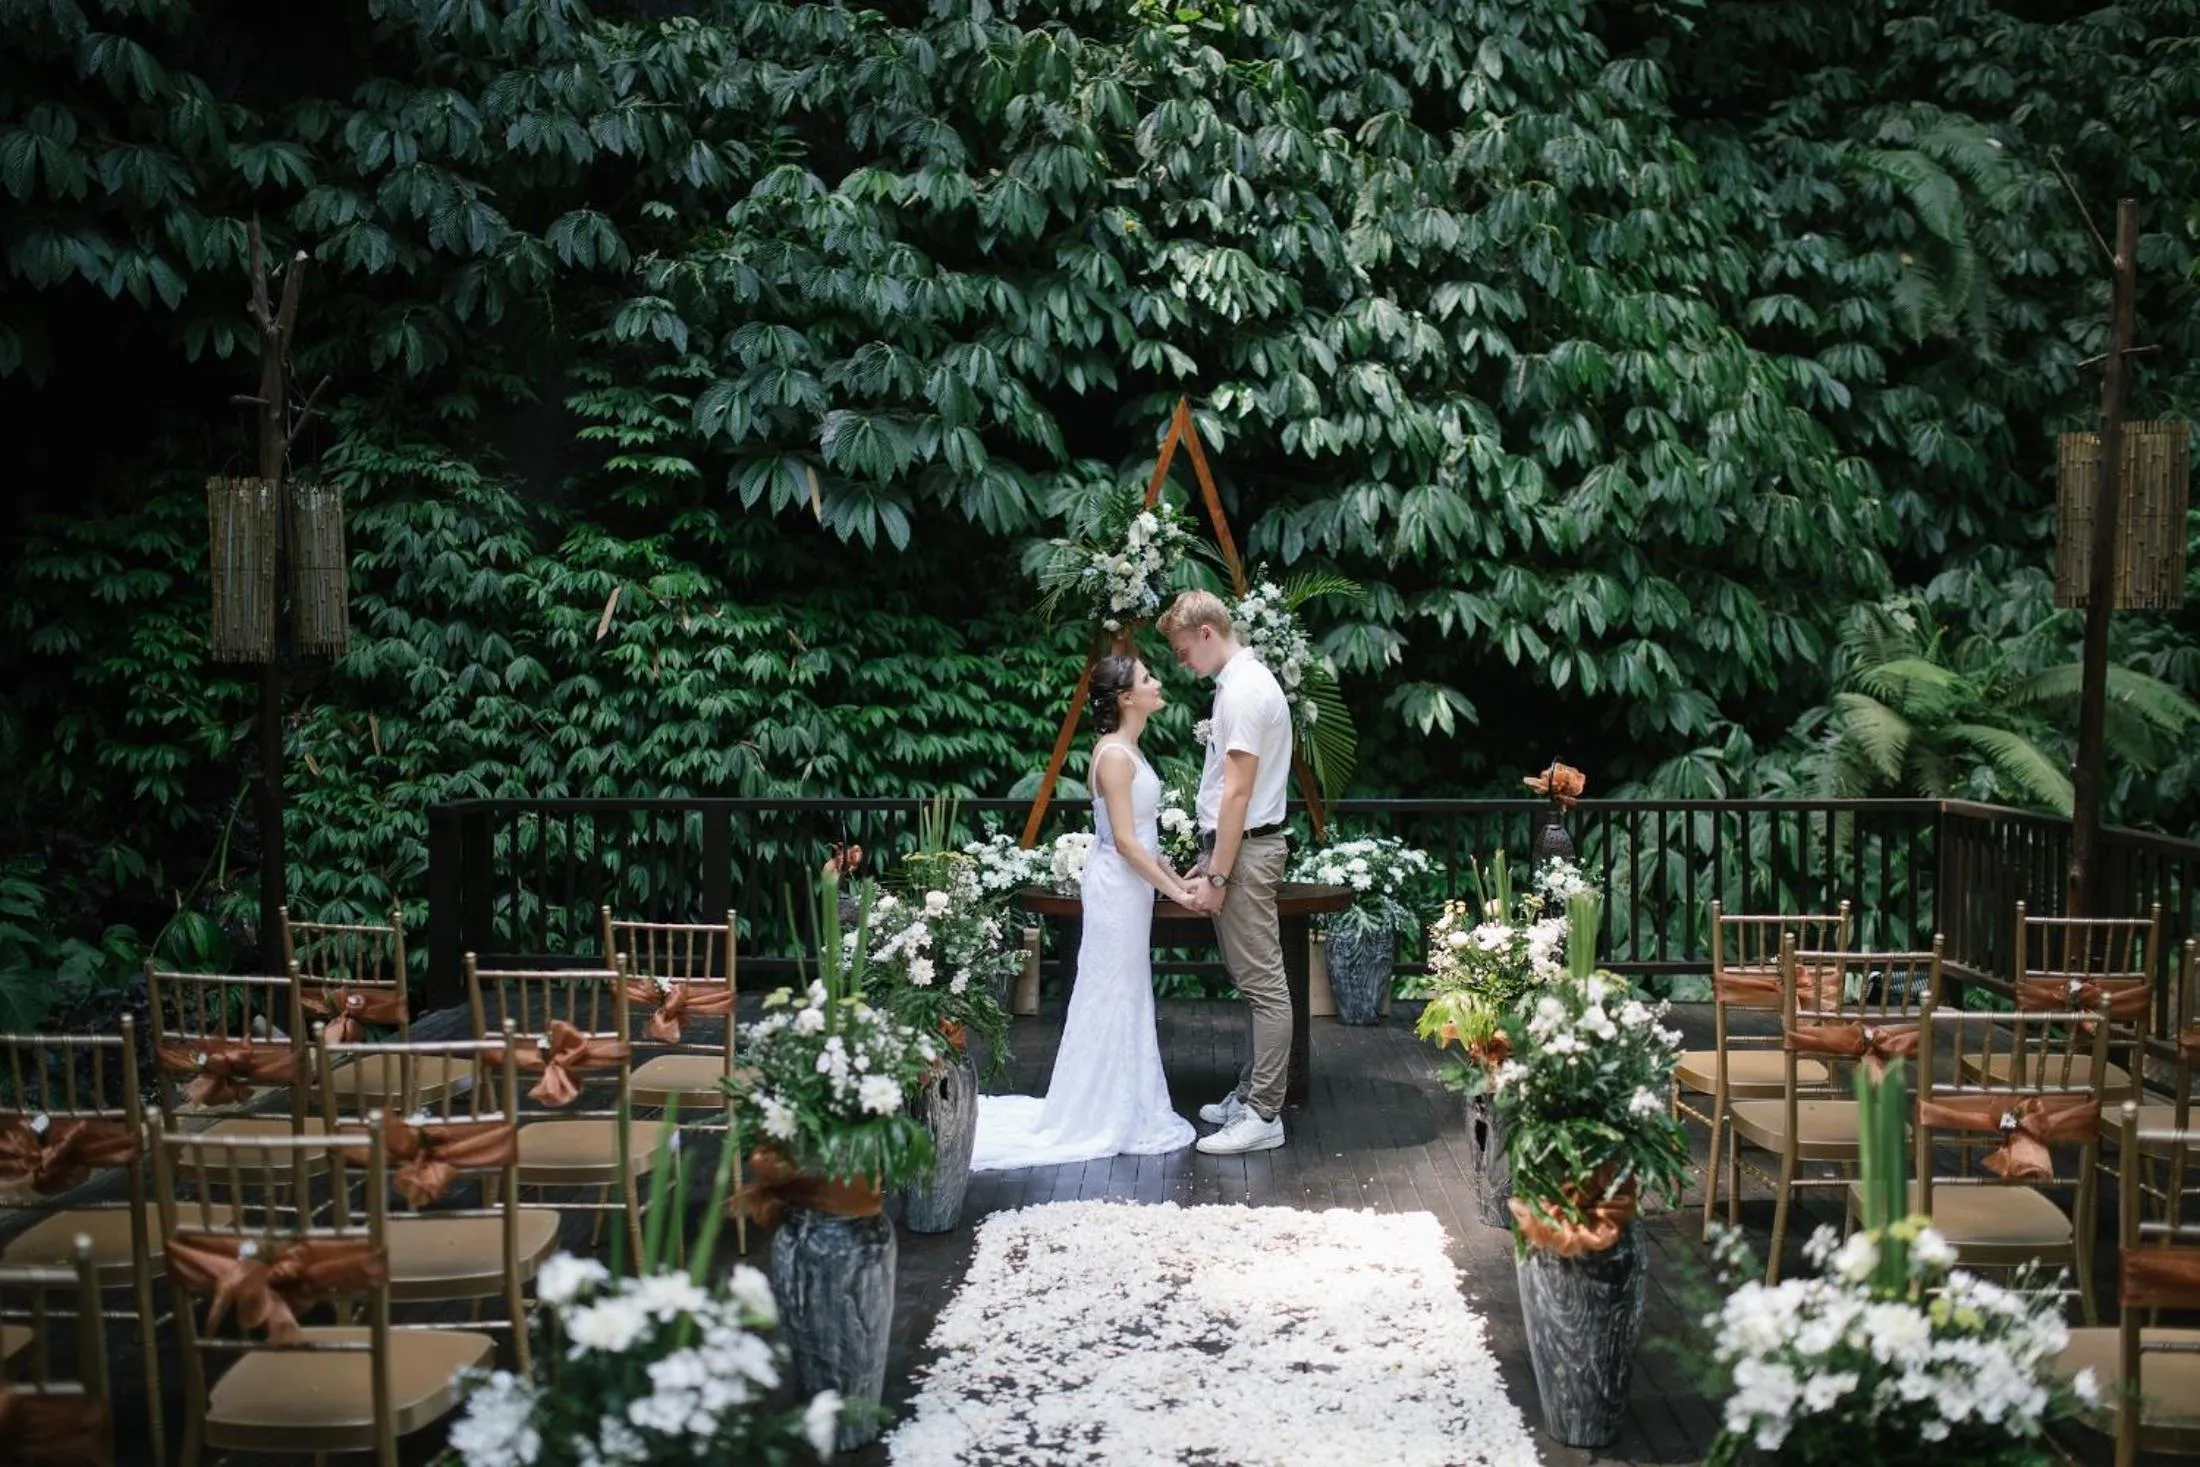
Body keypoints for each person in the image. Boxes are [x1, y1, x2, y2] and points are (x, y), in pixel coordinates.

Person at [969, 655, 1199, 1171]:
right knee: (1112, 990)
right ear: (1126, 698)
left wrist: (1176, 879)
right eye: (1147, 678)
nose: (1157, 682)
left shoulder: (1128, 750)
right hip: (1118, 887)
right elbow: (1122, 842)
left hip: (1131, 885)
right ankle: (1103, 1110)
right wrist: (1176, 893)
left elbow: (1145, 836)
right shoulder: (1115, 756)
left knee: (1127, 991)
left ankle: (1125, 1100)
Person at [1159, 589, 1293, 1156]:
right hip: (1238, 849)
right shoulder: (1239, 684)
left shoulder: (1244, 689)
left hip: (1248, 852)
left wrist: (1217, 876)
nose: (1182, 661)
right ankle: (1249, 1093)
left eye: (1184, 649)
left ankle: (1265, 1113)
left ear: (1208, 633)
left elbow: (1239, 792)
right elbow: (1227, 792)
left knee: (1264, 987)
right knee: (1252, 984)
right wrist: (1210, 857)